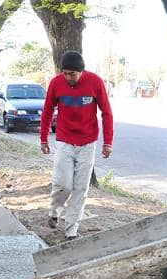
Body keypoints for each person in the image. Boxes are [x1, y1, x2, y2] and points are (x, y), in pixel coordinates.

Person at [40, 50, 113, 240]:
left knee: (81, 188)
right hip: (64, 140)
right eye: (65, 73)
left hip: (88, 142)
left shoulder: (95, 82)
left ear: (81, 71)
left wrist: (108, 142)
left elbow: (106, 112)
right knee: (63, 183)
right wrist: (43, 138)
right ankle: (55, 210)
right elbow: (47, 111)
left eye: (72, 74)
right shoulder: (56, 83)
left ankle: (71, 229)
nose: (68, 77)